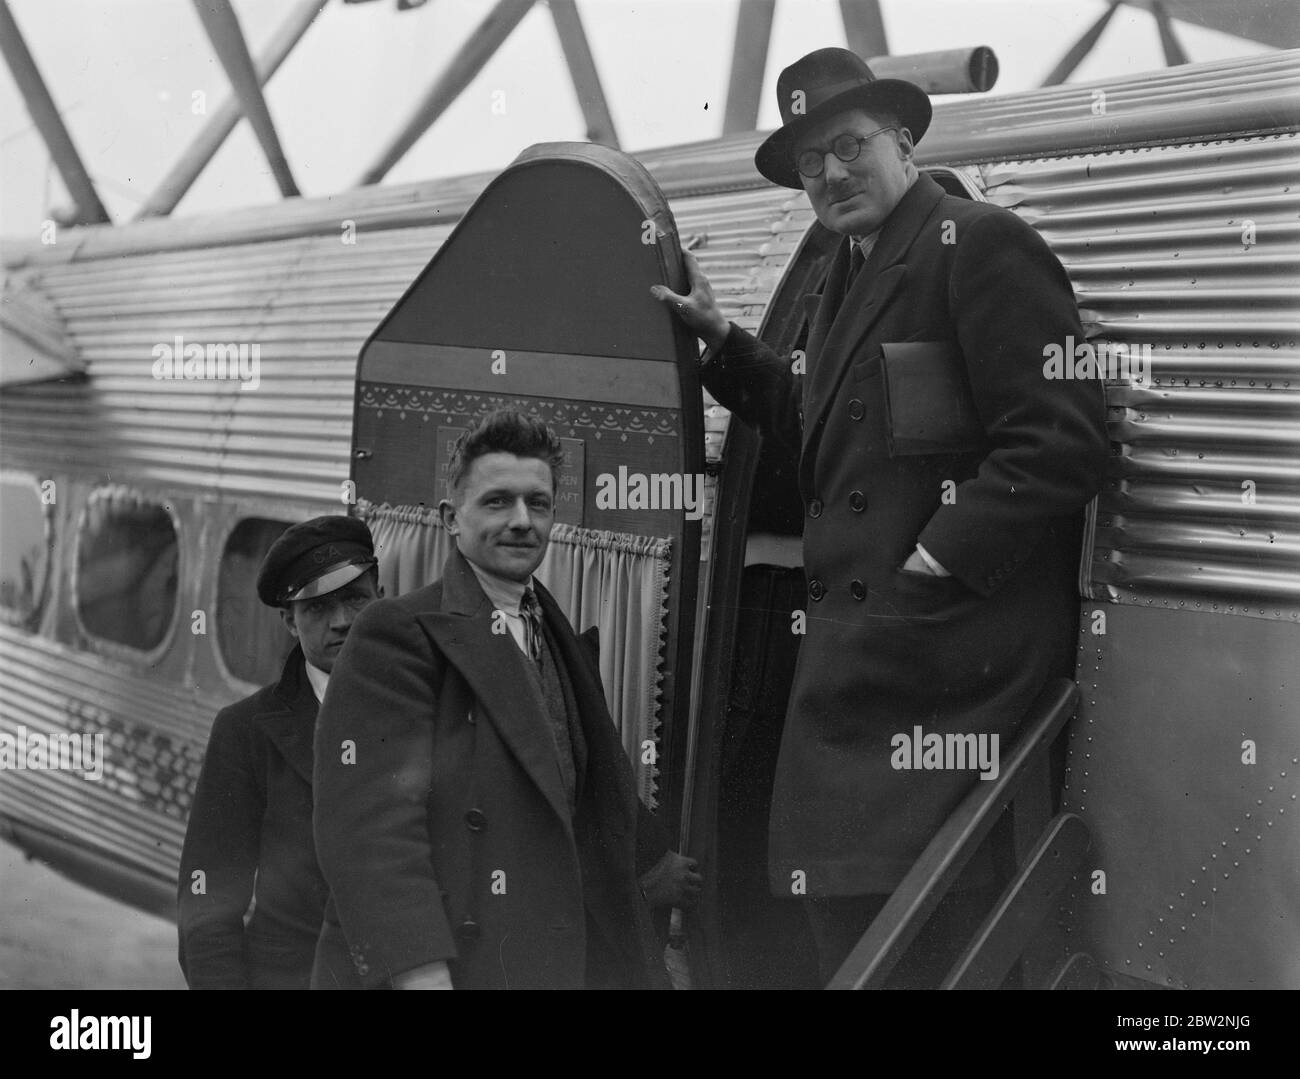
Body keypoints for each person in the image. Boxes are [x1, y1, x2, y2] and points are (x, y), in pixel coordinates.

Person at [653, 47, 1109, 984]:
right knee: (851, 936)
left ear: (902, 137)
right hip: (869, 686)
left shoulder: (978, 243)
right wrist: (722, 344)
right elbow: (833, 427)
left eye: (847, 145)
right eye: (810, 162)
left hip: (944, 685)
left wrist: (932, 564)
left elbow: (1063, 439)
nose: (830, 174)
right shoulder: (847, 275)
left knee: (917, 944)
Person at [312, 409, 695, 989]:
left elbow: (580, 787)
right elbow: (370, 832)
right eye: (497, 502)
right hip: (461, 965)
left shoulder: (552, 625)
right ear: (450, 517)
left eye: (538, 504)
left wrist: (646, 864)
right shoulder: (398, 632)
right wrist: (421, 973)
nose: (522, 521)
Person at [177, 515, 383, 988]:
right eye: (316, 607)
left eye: (355, 597)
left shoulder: (423, 711)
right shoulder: (245, 732)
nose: (342, 622)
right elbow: (207, 905)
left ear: (383, 597)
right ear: (289, 620)